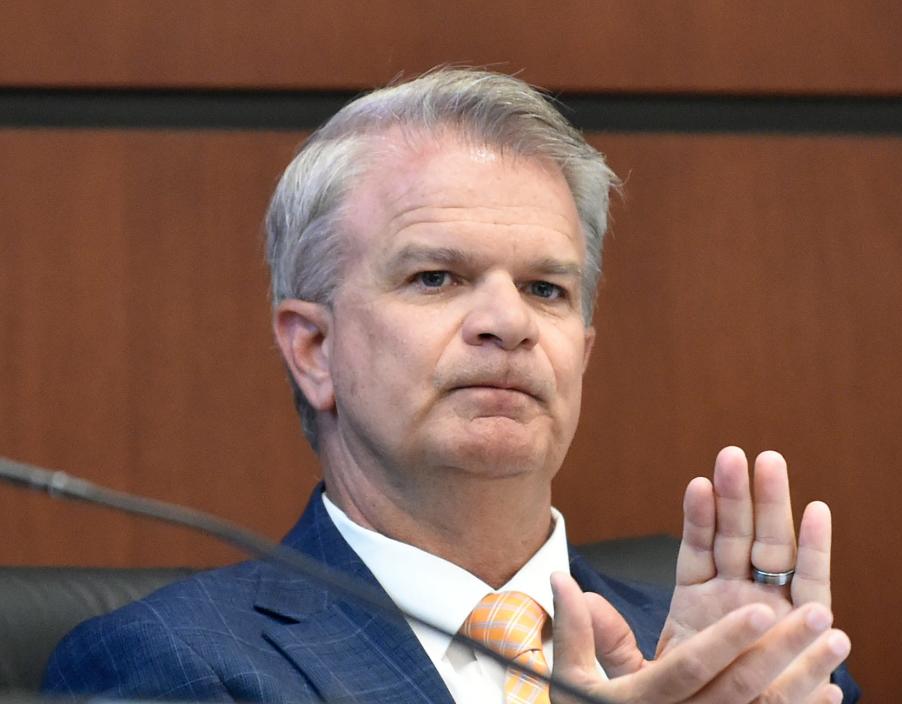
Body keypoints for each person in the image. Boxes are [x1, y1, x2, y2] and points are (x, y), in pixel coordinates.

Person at [42, 68, 859, 703]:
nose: (508, 322)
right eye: (436, 277)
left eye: (547, 289)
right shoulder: (171, 666)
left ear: (584, 351)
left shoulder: (741, 664)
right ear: (314, 348)